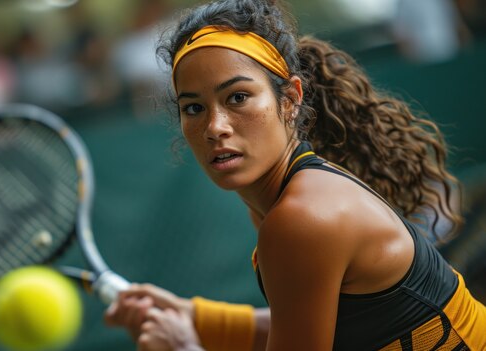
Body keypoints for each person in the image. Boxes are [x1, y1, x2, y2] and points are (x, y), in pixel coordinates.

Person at [104, 0, 486, 350]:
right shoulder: (289, 202)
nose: (214, 126)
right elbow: (307, 320)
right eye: (193, 108)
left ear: (289, 99)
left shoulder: (301, 218)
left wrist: (184, 347)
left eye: (237, 97)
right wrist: (193, 318)